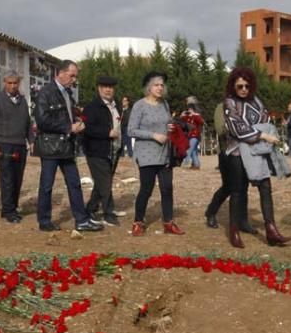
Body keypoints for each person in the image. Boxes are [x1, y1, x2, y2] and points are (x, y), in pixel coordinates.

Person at [222, 66, 291, 248]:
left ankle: (271, 230)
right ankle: (234, 231)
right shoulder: (229, 103)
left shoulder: (257, 101)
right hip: (237, 151)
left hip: (257, 151)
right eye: (239, 86)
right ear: (233, 86)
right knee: (237, 190)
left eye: (246, 85)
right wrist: (262, 135)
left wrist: (263, 133)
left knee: (265, 187)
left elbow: (265, 120)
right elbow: (236, 128)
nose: (244, 89)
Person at [33, 61, 103, 232]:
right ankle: (44, 221)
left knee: (74, 183)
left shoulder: (68, 93)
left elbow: (67, 115)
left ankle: (81, 220)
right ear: (61, 73)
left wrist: (76, 122)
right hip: (50, 147)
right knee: (47, 185)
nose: (74, 79)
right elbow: (42, 120)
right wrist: (68, 127)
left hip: (66, 146)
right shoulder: (46, 92)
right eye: (72, 75)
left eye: (75, 76)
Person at [127, 71, 183, 236]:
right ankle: (138, 222)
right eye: (156, 85)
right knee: (147, 188)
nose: (160, 88)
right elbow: (131, 130)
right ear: (148, 88)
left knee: (167, 188)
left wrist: (170, 128)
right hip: (146, 154)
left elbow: (165, 123)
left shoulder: (164, 104)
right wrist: (153, 135)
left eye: (161, 85)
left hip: (164, 153)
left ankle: (168, 222)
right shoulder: (139, 105)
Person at [0, 72, 32, 223]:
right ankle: (8, 210)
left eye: (15, 83)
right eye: (9, 83)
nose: (12, 86)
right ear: (4, 83)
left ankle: (12, 207)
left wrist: (31, 140)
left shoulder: (22, 101)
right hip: (4, 145)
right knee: (7, 179)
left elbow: (28, 124)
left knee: (18, 178)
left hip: (20, 145)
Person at [204, 98, 257, 233]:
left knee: (243, 187)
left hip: (245, 153)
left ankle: (243, 221)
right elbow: (221, 129)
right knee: (228, 187)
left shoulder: (247, 106)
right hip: (227, 152)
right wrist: (240, 127)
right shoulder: (221, 107)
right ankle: (211, 212)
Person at [83, 75, 121, 226]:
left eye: (110, 87)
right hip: (96, 151)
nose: (108, 90)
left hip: (113, 150)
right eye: (105, 87)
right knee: (105, 182)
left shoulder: (115, 106)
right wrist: (107, 133)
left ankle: (90, 208)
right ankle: (108, 213)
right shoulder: (91, 107)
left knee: (102, 182)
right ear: (99, 88)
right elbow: (87, 129)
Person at [179, 97, 205, 170]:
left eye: (190, 109)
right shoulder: (188, 117)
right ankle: (196, 164)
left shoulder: (197, 116)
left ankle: (185, 162)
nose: (189, 111)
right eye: (188, 109)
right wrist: (182, 116)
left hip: (195, 136)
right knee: (193, 151)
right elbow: (181, 122)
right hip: (189, 136)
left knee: (189, 149)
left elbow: (201, 122)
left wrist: (194, 115)